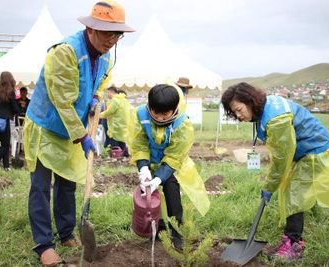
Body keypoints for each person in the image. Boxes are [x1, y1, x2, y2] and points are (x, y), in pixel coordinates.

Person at [23, 1, 134, 266]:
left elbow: (103, 80)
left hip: (72, 128)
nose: (113, 39)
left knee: (67, 182)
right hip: (46, 125)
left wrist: (97, 99)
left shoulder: (107, 54)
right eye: (108, 32)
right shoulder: (66, 52)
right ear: (90, 28)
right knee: (40, 186)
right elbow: (61, 100)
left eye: (117, 34)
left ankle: (65, 232)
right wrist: (82, 136)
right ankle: (43, 244)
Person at [221, 82, 329, 260]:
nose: (238, 115)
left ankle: (294, 245)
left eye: (239, 109)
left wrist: (269, 185)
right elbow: (282, 152)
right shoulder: (266, 106)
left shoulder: (276, 120)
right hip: (303, 152)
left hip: (315, 153)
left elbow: (282, 158)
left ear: (250, 101)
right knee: (293, 191)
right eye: (234, 112)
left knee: (294, 195)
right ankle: (291, 237)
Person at [130, 84, 210, 249]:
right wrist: (143, 167)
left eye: (164, 114)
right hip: (150, 161)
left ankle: (177, 231)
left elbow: (174, 155)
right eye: (155, 113)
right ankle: (157, 229)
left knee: (171, 190)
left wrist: (160, 177)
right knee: (150, 196)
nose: (159, 118)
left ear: (174, 109)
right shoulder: (141, 115)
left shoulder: (182, 124)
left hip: (172, 164)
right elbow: (139, 143)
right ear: (149, 107)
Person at [99, 87, 133, 157]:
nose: (107, 94)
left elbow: (109, 112)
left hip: (116, 128)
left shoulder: (115, 100)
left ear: (113, 92)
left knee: (115, 147)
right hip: (123, 128)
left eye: (108, 92)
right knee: (122, 144)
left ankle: (116, 160)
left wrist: (98, 115)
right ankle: (125, 158)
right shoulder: (124, 100)